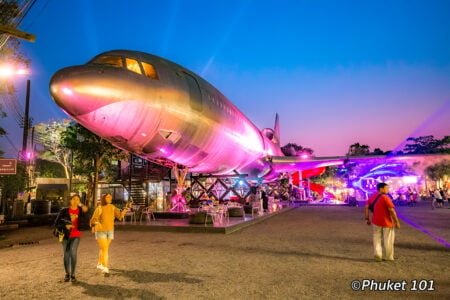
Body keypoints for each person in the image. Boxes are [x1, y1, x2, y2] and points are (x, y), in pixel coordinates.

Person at [90, 193, 130, 277]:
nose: (110, 198)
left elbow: (119, 216)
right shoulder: (99, 208)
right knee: (105, 249)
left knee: (104, 248)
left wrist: (126, 208)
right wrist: (97, 223)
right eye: (108, 197)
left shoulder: (112, 207)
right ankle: (105, 267)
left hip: (110, 231)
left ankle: (99, 263)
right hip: (100, 231)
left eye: (111, 197)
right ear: (104, 198)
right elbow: (93, 220)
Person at [54, 194, 89, 282]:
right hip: (65, 235)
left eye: (78, 199)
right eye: (74, 199)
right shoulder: (64, 211)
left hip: (76, 235)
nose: (75, 200)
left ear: (79, 202)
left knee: (73, 253)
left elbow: (86, 221)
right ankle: (67, 273)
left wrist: (85, 211)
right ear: (70, 200)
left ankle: (73, 274)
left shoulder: (81, 211)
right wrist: (66, 226)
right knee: (66, 254)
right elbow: (56, 223)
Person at [365, 183, 400, 262]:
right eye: (386, 188)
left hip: (375, 221)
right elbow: (391, 210)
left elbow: (366, 207)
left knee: (376, 238)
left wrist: (367, 218)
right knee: (388, 240)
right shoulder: (386, 198)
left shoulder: (372, 197)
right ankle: (389, 257)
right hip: (386, 222)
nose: (387, 190)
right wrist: (396, 222)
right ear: (381, 189)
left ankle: (378, 255)